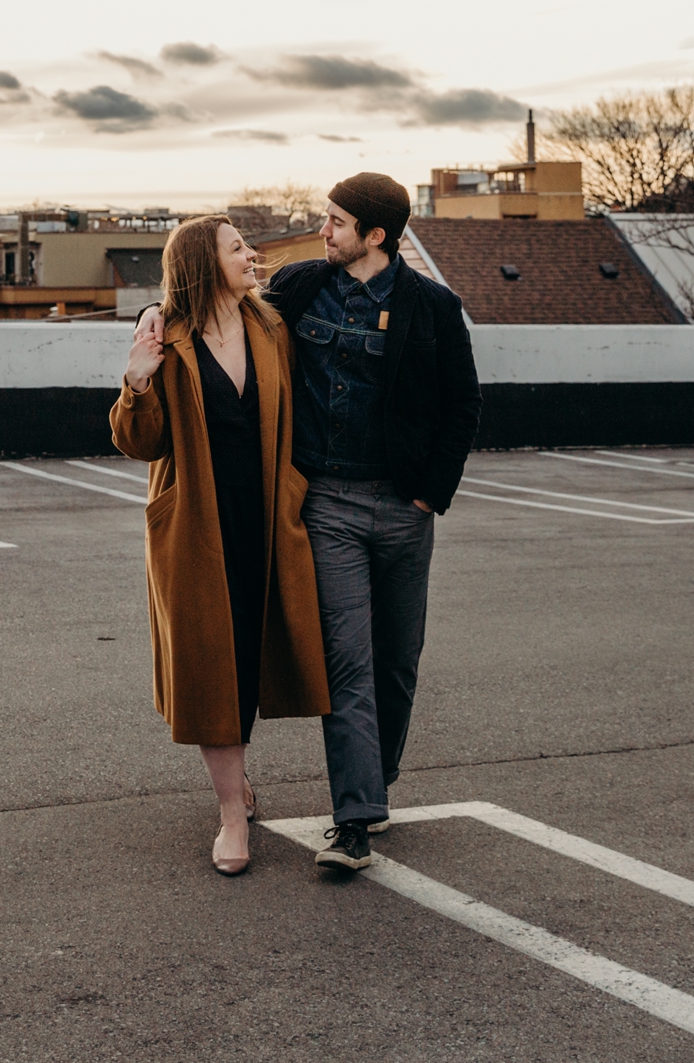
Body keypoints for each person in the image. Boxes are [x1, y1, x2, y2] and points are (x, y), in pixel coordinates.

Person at [263, 173, 480, 872]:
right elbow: (219, 309)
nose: (322, 230)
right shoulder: (300, 287)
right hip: (328, 505)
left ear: (375, 236)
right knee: (347, 661)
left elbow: (461, 407)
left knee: (397, 661)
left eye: (335, 221)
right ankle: (353, 819)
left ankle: (374, 783)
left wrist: (428, 496)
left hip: (404, 509)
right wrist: (154, 314)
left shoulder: (433, 308)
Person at [112, 214, 330, 876]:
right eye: (238, 249)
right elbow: (139, 442)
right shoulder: (167, 339)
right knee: (213, 670)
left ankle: (235, 784)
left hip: (266, 518)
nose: (252, 256)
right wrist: (139, 379)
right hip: (195, 529)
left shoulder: (271, 326)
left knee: (254, 657)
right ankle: (231, 815)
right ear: (205, 263)